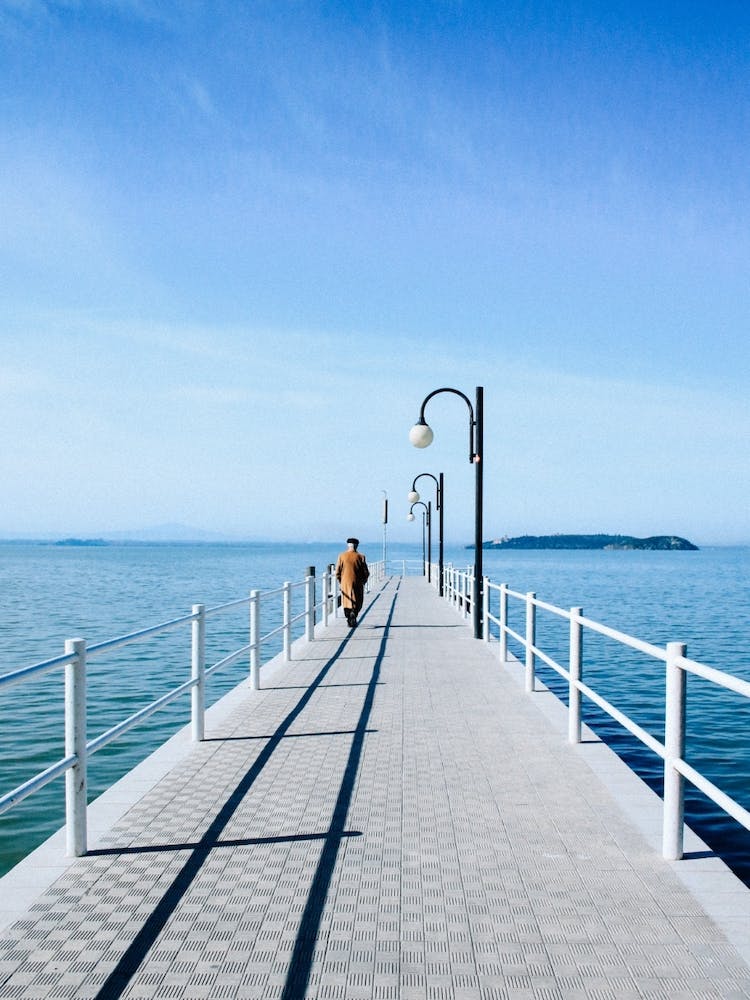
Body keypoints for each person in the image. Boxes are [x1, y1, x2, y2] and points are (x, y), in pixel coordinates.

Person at [335, 537, 369, 627]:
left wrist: (340, 581)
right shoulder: (361, 557)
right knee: (357, 600)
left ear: (348, 545)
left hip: (345, 583)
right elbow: (366, 572)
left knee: (346, 601)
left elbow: (337, 572)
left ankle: (349, 617)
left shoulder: (341, 556)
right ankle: (354, 613)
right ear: (356, 546)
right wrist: (364, 581)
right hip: (357, 583)